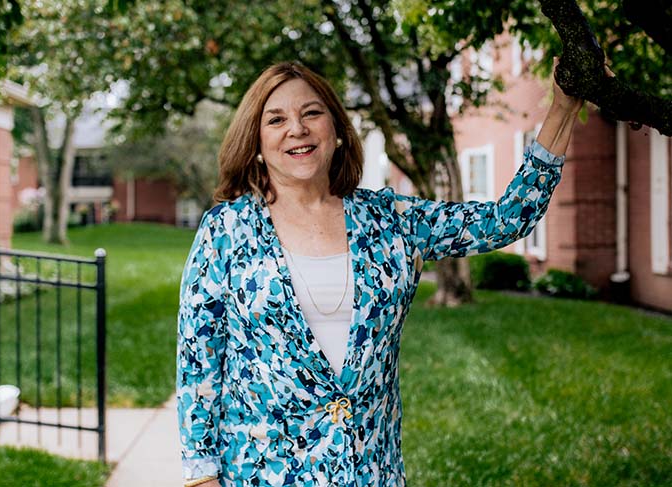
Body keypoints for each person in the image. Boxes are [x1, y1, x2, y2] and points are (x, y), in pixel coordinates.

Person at [177, 60, 582, 487]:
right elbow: (198, 363)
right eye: (276, 119)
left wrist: (562, 108)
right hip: (259, 475)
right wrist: (202, 476)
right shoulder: (226, 230)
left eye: (311, 113)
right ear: (256, 140)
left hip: (370, 472)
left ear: (336, 129)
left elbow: (506, 220)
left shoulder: (391, 220)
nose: (296, 128)